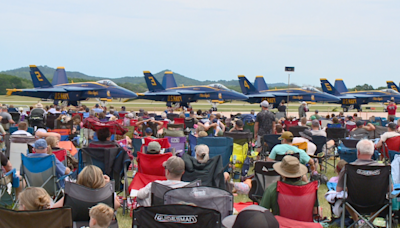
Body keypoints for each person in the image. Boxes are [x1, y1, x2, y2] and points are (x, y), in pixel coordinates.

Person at [336, 139, 384, 224]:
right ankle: (370, 222)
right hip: (377, 203)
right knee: (385, 197)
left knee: (344, 197)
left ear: (357, 152)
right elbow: (390, 189)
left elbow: (339, 190)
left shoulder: (348, 168)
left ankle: (357, 221)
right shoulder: (383, 169)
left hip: (353, 203)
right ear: (372, 153)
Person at [53, 165, 120, 210]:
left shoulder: (72, 195)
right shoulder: (106, 196)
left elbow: (53, 209)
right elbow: (117, 205)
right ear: (101, 180)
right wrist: (108, 187)